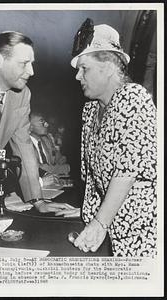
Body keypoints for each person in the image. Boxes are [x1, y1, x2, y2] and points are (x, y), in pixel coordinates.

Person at [56, 19, 157, 257]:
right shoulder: (90, 110)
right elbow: (92, 178)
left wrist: (99, 223)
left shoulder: (134, 98)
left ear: (110, 66)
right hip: (113, 227)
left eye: (85, 68)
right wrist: (86, 214)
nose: (77, 77)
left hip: (143, 230)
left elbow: (127, 171)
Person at [0, 31, 70, 215]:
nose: (31, 72)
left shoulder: (22, 95)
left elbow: (24, 148)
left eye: (32, 64)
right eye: (24, 64)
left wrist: (38, 200)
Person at [29, 111, 70, 177]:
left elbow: (59, 158)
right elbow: (41, 168)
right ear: (30, 127)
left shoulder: (46, 140)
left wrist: (61, 161)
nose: (47, 124)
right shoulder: (26, 145)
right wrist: (67, 168)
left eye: (45, 121)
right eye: (41, 121)